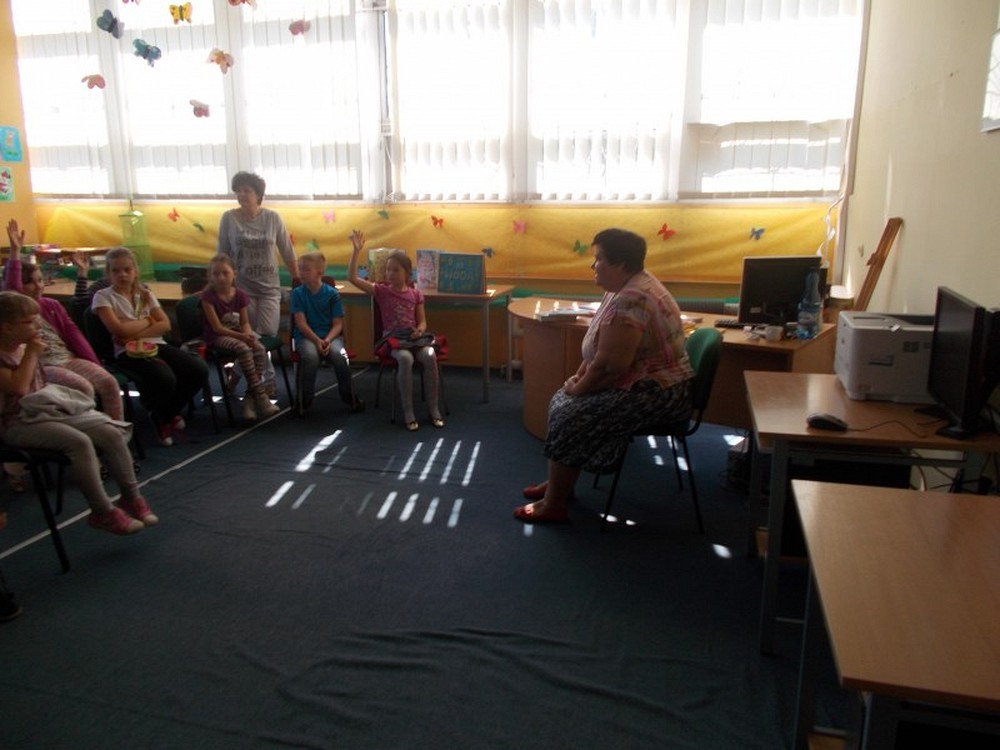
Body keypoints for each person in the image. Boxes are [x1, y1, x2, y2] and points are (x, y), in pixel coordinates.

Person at [513, 228, 695, 524]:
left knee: (570, 413)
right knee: (563, 402)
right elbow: (599, 349)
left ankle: (555, 502)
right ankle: (560, 485)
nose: (593, 265)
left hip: (660, 393)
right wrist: (578, 379)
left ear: (620, 264)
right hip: (643, 382)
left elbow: (611, 366)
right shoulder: (623, 288)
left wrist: (578, 389)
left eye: (598, 259)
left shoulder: (632, 298)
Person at [0, 291, 156, 534]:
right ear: (7, 327)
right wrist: (32, 352)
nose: (37, 326)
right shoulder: (16, 353)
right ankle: (102, 511)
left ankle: (131, 497)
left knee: (110, 432)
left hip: (44, 409)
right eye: (30, 322)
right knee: (79, 442)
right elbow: (18, 387)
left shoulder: (22, 347)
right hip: (17, 422)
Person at [91, 247, 209, 447]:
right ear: (108, 273)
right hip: (128, 352)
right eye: (116, 271)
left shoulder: (144, 293)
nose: (122, 275)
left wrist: (134, 332)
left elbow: (165, 324)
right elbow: (118, 329)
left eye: (127, 270)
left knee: (198, 369)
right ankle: (163, 418)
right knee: (165, 378)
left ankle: (165, 413)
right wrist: (148, 321)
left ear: (135, 271)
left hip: (155, 344)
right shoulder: (103, 297)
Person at [347, 230, 443, 431]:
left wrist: (419, 331)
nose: (390, 273)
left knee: (430, 355)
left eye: (395, 270)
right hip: (393, 339)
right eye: (388, 270)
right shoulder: (381, 291)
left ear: (407, 273)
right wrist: (356, 251)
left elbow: (422, 322)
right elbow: (352, 278)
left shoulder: (415, 294)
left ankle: (433, 408)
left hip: (413, 337)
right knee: (405, 359)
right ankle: (408, 411)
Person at [216, 171, 300, 397]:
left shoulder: (272, 218)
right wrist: (220, 286)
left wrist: (297, 281)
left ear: (258, 195)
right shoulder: (229, 218)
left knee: (264, 335)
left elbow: (288, 251)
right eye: (238, 191)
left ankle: (236, 376)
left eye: (247, 190)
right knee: (253, 337)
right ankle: (266, 382)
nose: (242, 195)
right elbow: (222, 254)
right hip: (242, 289)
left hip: (270, 288)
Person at [200, 254, 279, 423]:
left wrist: (248, 335)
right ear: (210, 276)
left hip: (238, 333)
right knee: (243, 348)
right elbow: (217, 328)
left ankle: (249, 400)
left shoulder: (240, 295)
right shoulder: (208, 297)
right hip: (217, 337)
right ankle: (261, 396)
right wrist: (242, 337)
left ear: (234, 274)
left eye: (225, 273)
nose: (221, 277)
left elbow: (244, 322)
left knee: (259, 348)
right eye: (216, 274)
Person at [290, 252, 364, 414]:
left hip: (330, 336)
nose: (301, 272)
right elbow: (301, 324)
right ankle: (304, 399)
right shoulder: (297, 294)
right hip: (306, 337)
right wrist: (317, 340)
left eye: (306, 269)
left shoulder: (332, 294)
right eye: (300, 269)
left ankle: (349, 396)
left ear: (319, 272)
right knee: (310, 357)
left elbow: (338, 325)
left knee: (340, 356)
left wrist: (328, 340)